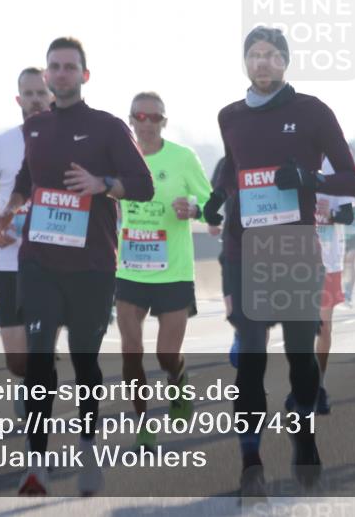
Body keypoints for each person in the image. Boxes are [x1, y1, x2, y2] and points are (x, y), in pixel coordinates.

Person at [0, 37, 154, 497]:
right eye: (54, 67)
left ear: (85, 75)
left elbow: (142, 186)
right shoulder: (36, 127)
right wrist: (11, 208)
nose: (61, 74)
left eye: (69, 67)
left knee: (84, 361)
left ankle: (87, 449)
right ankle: (36, 467)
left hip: (93, 265)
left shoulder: (106, 127)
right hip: (39, 259)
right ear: (45, 76)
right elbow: (27, 177)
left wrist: (102, 184)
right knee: (40, 358)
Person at [202, 26, 355, 499]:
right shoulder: (229, 115)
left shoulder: (311, 111)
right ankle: (250, 460)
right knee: (249, 360)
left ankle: (304, 433)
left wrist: (309, 177)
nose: (263, 62)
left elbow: (351, 179)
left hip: (294, 250)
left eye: (272, 55)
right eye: (255, 55)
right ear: (245, 63)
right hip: (244, 250)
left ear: (286, 61)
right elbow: (233, 167)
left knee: (300, 358)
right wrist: (215, 198)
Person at [115, 91, 212, 453]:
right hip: (131, 270)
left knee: (166, 354)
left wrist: (194, 209)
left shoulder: (183, 158)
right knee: (130, 351)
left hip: (173, 271)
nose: (147, 124)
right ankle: (142, 425)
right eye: (139, 117)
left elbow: (211, 203)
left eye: (154, 117)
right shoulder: (120, 159)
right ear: (130, 120)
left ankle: (178, 379)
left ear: (164, 122)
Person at [0, 67, 53, 384]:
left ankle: (40, 399)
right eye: (29, 94)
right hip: (9, 260)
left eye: (41, 93)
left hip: (53, 261)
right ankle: (32, 378)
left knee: (41, 345)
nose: (35, 100)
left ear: (52, 95)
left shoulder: (71, 144)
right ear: (19, 99)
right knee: (17, 361)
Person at [313, 156, 355, 413]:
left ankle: (318, 384)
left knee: (322, 326)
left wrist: (331, 213)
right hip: (290, 258)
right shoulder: (286, 156)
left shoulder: (337, 167)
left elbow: (349, 215)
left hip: (327, 261)